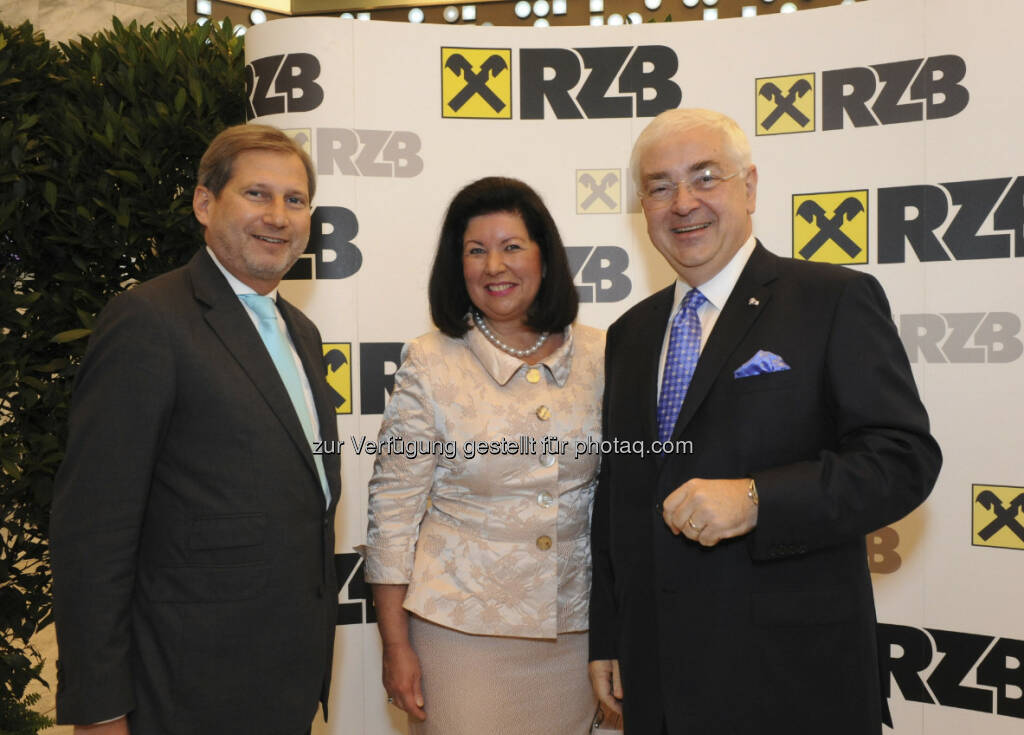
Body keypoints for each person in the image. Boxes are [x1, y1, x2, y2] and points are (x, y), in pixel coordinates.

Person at [588, 109, 942, 734]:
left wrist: (758, 500)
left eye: (705, 177)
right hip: (659, 678)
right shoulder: (629, 334)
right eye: (659, 186)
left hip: (792, 679)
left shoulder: (832, 300)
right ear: (642, 206)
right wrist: (609, 635)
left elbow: (902, 460)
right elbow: (619, 495)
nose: (683, 203)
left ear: (748, 186)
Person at [49, 124, 341, 735]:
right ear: (205, 204)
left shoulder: (304, 335)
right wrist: (99, 710)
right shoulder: (149, 320)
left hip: (281, 685)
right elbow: (94, 533)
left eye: (295, 200)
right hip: (180, 692)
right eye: (257, 194)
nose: (278, 216)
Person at [357, 177, 604, 734]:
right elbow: (392, 514)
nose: (495, 265)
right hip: (459, 634)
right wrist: (395, 646)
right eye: (476, 250)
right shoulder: (429, 361)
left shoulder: (602, 354)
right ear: (457, 264)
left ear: (544, 255)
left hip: (577, 633)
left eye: (512, 246)